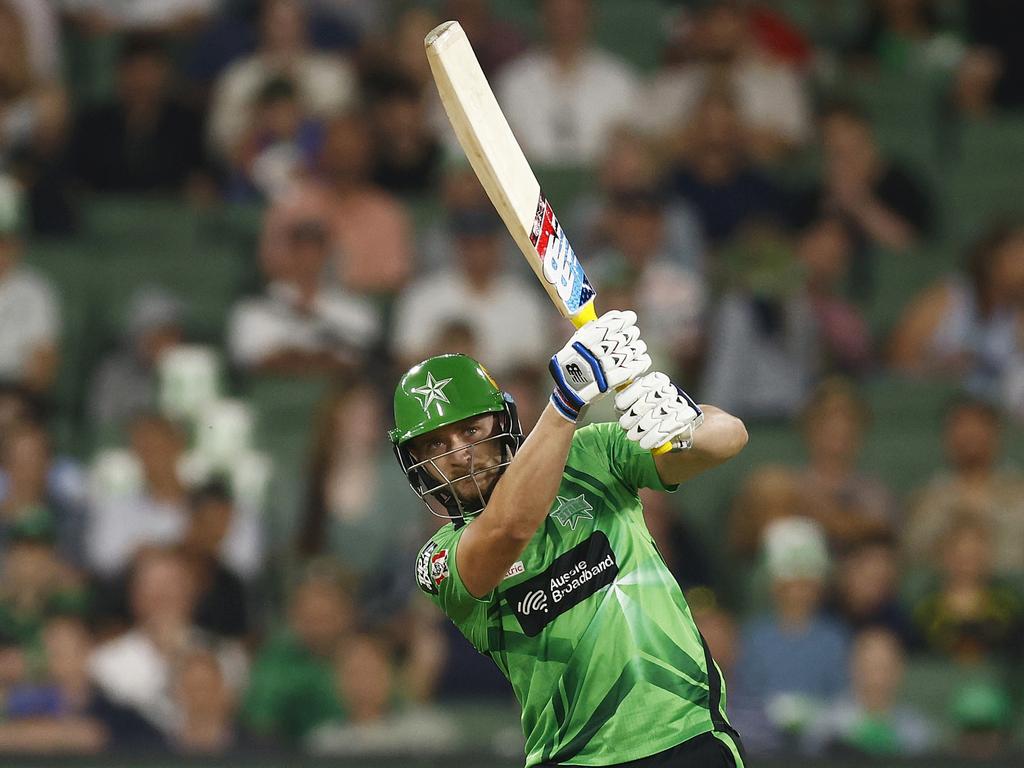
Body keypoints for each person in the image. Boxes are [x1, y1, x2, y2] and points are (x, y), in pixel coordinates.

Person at [390, 309, 750, 767]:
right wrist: (564, 402)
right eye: (436, 445)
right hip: (575, 757)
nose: (459, 455)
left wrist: (684, 424)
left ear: (500, 425)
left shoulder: (591, 454)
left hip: (689, 734)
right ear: (415, 463)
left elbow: (730, 438)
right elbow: (509, 529)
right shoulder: (438, 559)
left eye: (470, 431)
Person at [495, 0, 641, 165]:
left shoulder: (620, 82)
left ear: (590, 17)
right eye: (557, 15)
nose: (565, 23)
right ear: (543, 17)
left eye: (573, 16)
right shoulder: (513, 82)